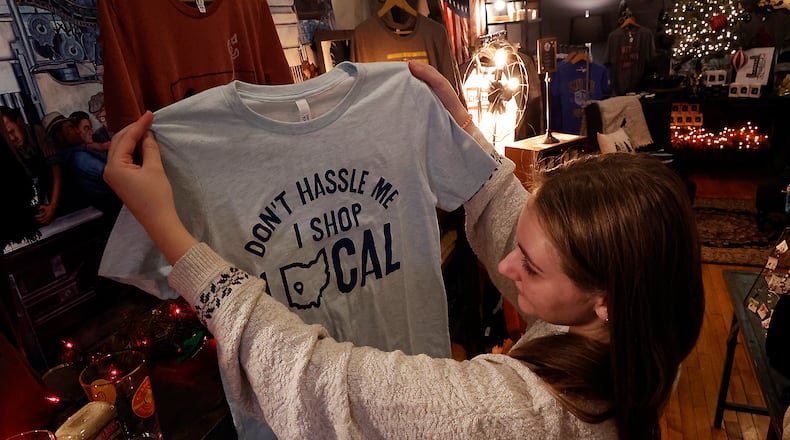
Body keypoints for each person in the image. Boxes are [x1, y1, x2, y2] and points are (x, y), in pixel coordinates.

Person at [103, 62, 704, 439]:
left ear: (606, 300)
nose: (504, 265)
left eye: (533, 265)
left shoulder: (517, 415)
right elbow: (517, 224)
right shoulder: (650, 339)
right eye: (519, 246)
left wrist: (176, 238)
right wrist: (464, 135)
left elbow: (317, 387)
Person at [43, 111, 119, 215]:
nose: (77, 131)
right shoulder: (79, 158)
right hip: (115, 205)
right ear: (60, 136)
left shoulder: (81, 150)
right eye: (70, 128)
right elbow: (113, 175)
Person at [1, 106, 63, 225]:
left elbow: (57, 171)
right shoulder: (12, 148)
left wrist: (53, 206)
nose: (12, 138)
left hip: (58, 190)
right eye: (6, 136)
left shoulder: (38, 132)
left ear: (19, 122)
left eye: (12, 131)